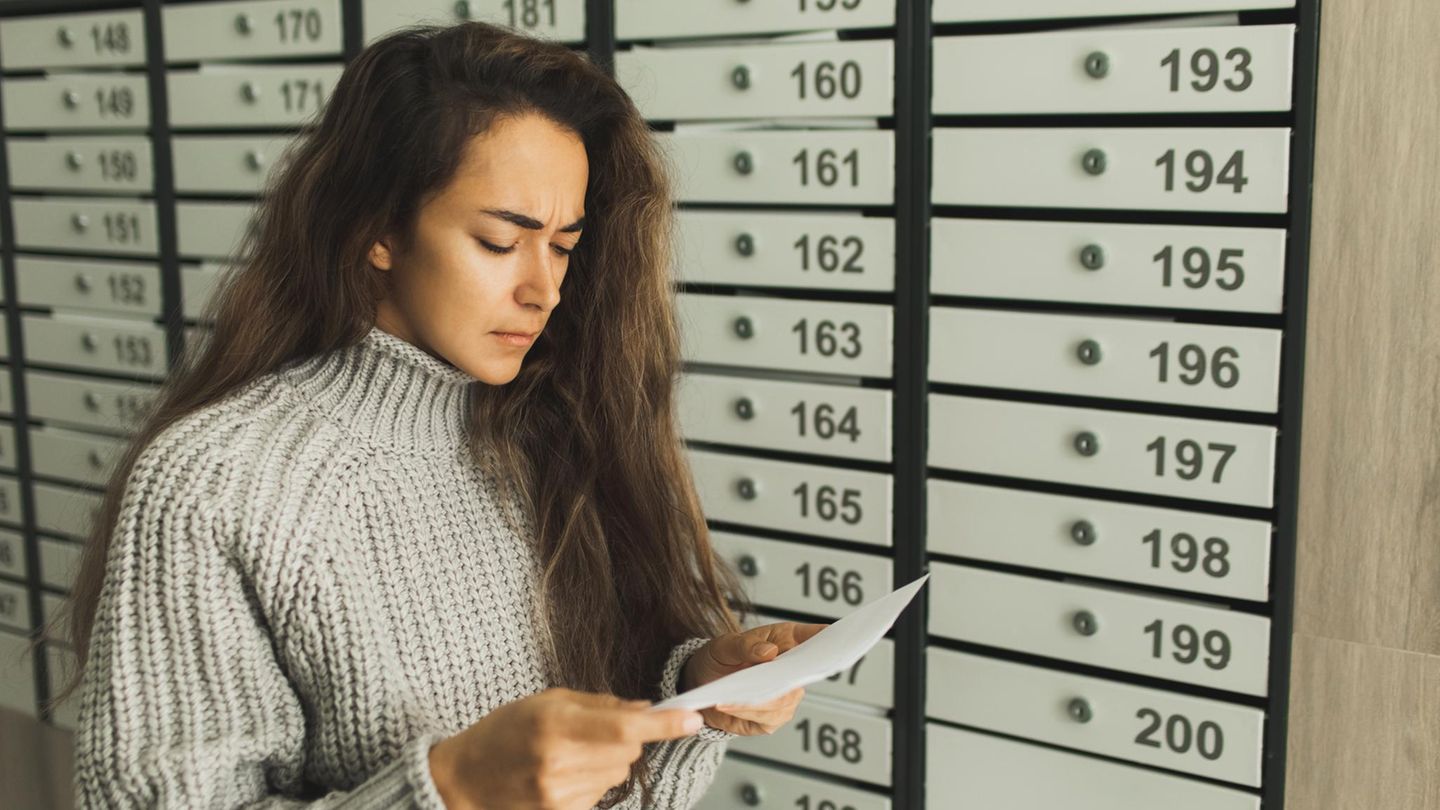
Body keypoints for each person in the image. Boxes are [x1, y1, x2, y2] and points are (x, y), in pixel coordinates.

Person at [52, 21, 821, 809]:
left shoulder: (550, 431)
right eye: (499, 241)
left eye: (562, 246)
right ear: (379, 228)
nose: (544, 290)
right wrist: (450, 790)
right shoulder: (216, 481)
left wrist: (692, 692)